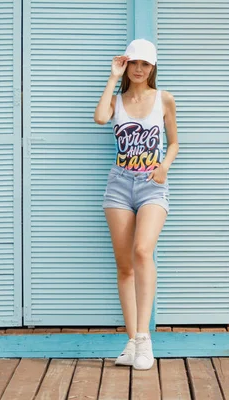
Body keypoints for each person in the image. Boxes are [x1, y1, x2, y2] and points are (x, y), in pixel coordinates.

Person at [93, 38, 178, 370]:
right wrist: (113, 79)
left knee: (143, 251)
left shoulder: (164, 99)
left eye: (146, 64)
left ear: (153, 68)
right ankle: (131, 342)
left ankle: (144, 339)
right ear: (126, 65)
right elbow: (100, 118)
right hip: (118, 186)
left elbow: (175, 142)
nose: (140, 69)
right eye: (134, 63)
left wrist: (165, 166)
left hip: (151, 186)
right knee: (125, 266)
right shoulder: (117, 100)